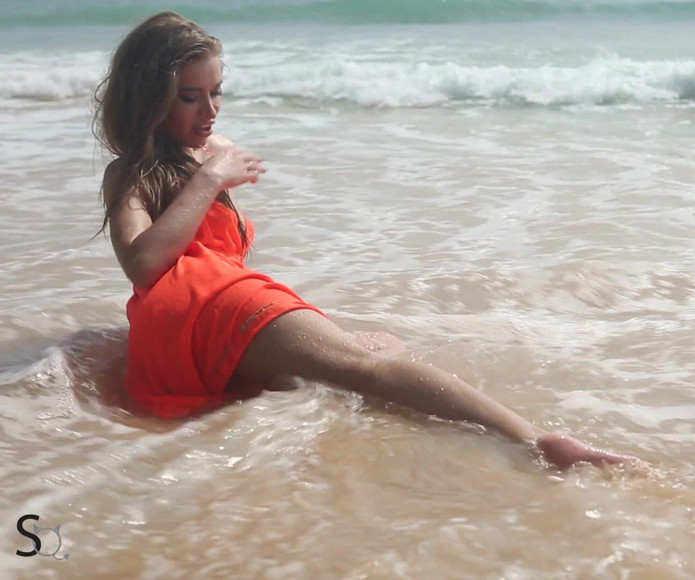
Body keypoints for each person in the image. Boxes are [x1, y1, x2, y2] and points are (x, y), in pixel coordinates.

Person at [93, 11, 636, 470]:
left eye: (216, 93)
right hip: (212, 308)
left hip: (196, 329)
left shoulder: (212, 149)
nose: (210, 111)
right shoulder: (132, 173)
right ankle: (538, 443)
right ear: (150, 99)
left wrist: (210, 171)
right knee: (367, 368)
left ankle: (479, 445)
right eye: (190, 97)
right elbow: (144, 264)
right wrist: (210, 180)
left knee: (364, 364)